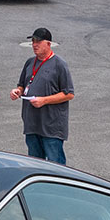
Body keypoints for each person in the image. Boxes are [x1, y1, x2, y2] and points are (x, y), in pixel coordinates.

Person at [9, 26, 76, 163]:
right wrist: (17, 91)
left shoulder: (59, 65)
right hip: (32, 124)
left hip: (51, 127)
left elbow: (68, 94)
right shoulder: (29, 62)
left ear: (48, 44)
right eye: (33, 41)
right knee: (34, 164)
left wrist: (44, 100)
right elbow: (22, 84)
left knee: (55, 165)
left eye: (38, 42)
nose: (34, 45)